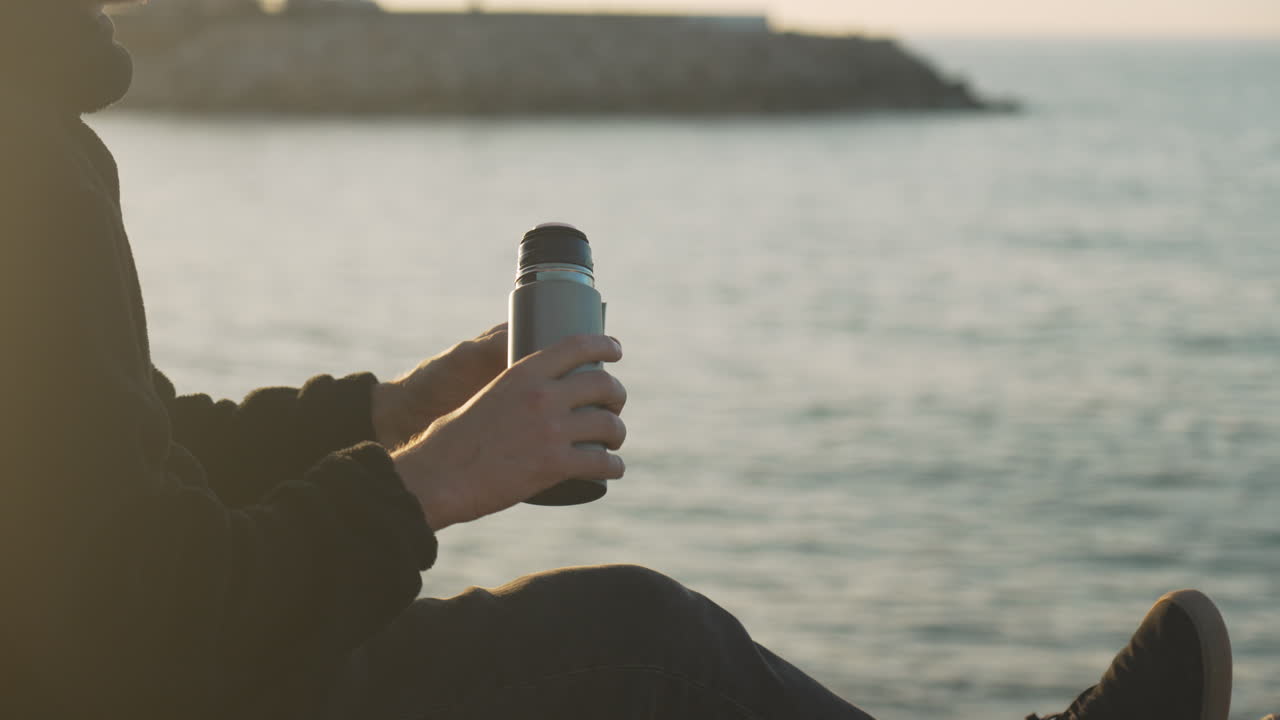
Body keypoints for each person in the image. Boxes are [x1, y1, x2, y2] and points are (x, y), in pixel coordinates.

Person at [0, 2, 1242, 719]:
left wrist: (385, 413)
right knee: (637, 641)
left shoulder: (41, 133)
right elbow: (127, 617)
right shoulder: (27, 155)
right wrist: (431, 483)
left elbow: (96, 467)